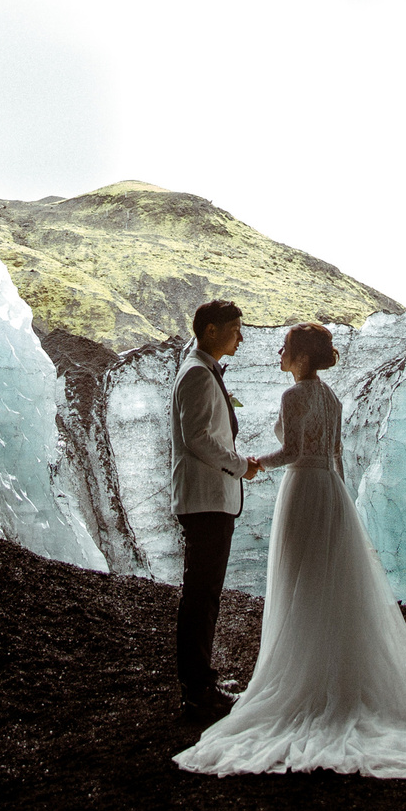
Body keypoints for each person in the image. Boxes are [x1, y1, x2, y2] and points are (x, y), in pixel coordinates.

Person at [174, 323, 406, 791]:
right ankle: (335, 677)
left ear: (301, 357)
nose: (279, 352)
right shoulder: (334, 400)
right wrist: (340, 501)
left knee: (299, 582)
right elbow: (335, 456)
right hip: (330, 492)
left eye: (285, 347)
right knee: (329, 585)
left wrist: (256, 464)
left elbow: (294, 451)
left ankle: (298, 678)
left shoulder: (293, 396)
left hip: (302, 490)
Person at [171, 298, 258, 723]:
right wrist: (241, 466)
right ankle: (198, 691)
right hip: (206, 502)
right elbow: (198, 439)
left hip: (208, 500)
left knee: (203, 595)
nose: (241, 337)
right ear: (211, 331)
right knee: (201, 596)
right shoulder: (197, 375)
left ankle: (199, 683)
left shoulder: (200, 370)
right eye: (236, 328)